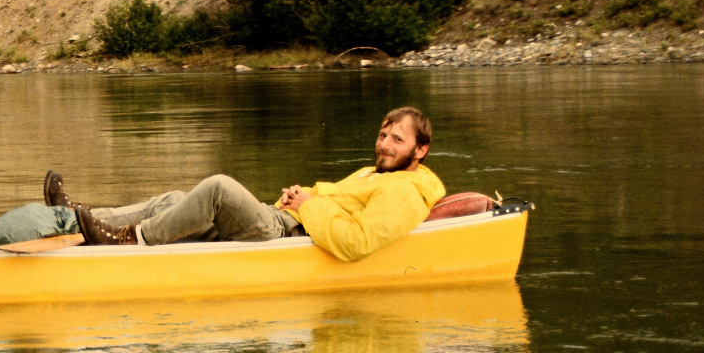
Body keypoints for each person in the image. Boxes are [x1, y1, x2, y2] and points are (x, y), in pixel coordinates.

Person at [45, 106, 445, 261]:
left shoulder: (406, 192)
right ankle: (75, 219)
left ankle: (128, 240)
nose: (385, 145)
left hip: (285, 235)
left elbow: (356, 242)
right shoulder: (373, 174)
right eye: (383, 135)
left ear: (421, 150)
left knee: (218, 187)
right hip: (281, 217)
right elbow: (333, 203)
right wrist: (298, 196)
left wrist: (306, 205)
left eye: (398, 139)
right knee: (176, 199)